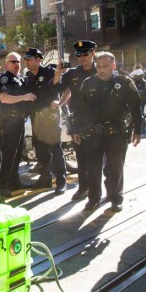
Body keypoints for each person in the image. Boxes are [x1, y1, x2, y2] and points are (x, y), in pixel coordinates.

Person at [73, 52, 143, 212]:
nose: (101, 69)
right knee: (93, 168)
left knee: (115, 168)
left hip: (117, 132)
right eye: (98, 66)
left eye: (105, 66)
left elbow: (135, 108)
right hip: (94, 132)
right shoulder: (88, 83)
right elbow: (78, 108)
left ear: (113, 66)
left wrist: (137, 131)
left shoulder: (124, 82)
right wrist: (75, 129)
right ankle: (93, 198)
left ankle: (116, 198)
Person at [54, 40, 97, 200]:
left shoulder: (101, 69)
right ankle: (84, 187)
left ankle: (100, 190)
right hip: (79, 121)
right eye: (79, 55)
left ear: (93, 53)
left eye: (85, 54)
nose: (82, 58)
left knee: (99, 161)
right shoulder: (72, 73)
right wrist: (58, 72)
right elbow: (58, 89)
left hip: (99, 121)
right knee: (82, 158)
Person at [24, 47, 67, 194]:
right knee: (41, 150)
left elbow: (55, 85)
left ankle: (61, 181)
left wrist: (58, 74)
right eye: (26, 59)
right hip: (36, 118)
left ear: (38, 59)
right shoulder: (28, 76)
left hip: (50, 117)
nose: (27, 62)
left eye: (29, 59)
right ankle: (45, 179)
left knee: (55, 149)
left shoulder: (49, 72)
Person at [0, 52, 37, 197]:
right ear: (7, 64)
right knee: (9, 153)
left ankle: (14, 181)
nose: (16, 64)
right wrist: (24, 97)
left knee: (17, 153)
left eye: (18, 62)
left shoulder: (18, 79)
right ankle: (3, 184)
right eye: (13, 61)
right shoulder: (5, 78)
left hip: (19, 120)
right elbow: (4, 98)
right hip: (10, 121)